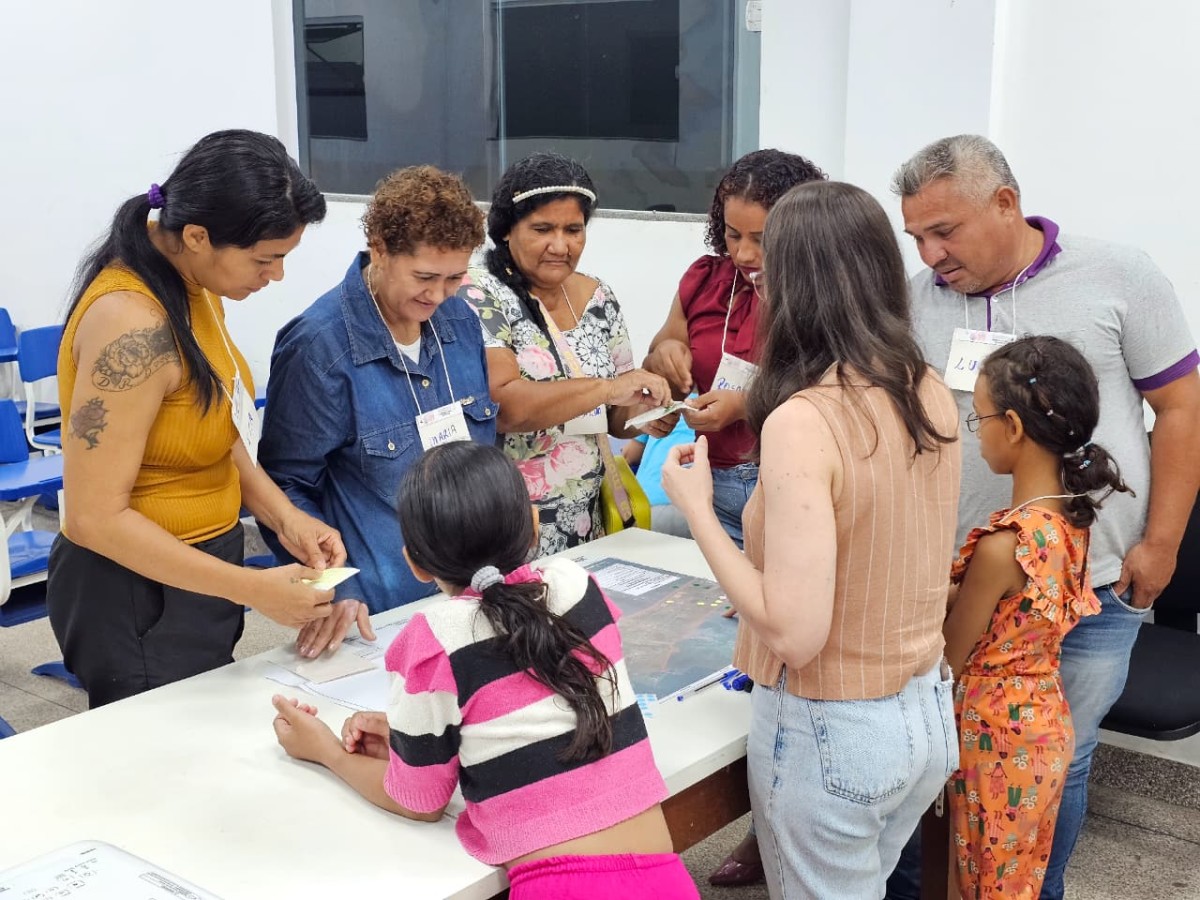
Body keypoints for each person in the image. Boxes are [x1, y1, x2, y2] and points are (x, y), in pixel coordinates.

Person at [888, 134, 1200, 900]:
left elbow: (1182, 409)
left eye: (944, 231)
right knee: (932, 758)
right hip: (959, 578)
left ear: (1005, 202)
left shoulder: (1118, 275)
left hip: (1092, 584)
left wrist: (1163, 543)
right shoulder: (916, 300)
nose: (929, 255)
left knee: (1061, 759)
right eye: (916, 236)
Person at [661, 181, 962, 900]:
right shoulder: (924, 385)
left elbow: (795, 635)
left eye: (768, 271)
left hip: (836, 732)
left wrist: (698, 510)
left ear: (797, 287)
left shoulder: (804, 419)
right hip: (924, 713)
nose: (754, 281)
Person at [269, 442, 699, 900]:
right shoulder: (577, 584)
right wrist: (410, 740)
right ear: (534, 526)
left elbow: (420, 802)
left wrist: (328, 752)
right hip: (667, 879)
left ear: (414, 563)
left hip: (558, 888)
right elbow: (528, 710)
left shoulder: (434, 638)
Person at [48, 129, 344, 708]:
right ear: (197, 236)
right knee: (158, 744)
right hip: (136, 587)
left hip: (200, 566)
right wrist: (253, 588)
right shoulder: (131, 323)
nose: (276, 276)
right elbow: (92, 518)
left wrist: (286, 518)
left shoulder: (194, 284)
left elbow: (217, 426)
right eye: (266, 259)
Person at [260, 166, 494, 655]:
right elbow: (285, 487)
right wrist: (333, 589)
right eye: (424, 277)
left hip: (472, 598)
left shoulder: (460, 322)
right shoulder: (319, 347)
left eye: (454, 278)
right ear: (380, 248)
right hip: (375, 614)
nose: (438, 295)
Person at [945, 336, 1130, 899]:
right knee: (1014, 884)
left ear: (1013, 427)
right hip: (1044, 730)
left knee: (975, 884)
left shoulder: (1004, 545)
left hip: (992, 741)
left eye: (979, 419)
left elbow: (949, 657)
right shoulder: (1072, 523)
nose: (977, 436)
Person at [458, 152, 670, 558]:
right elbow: (505, 406)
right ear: (506, 230)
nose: (561, 245)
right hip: (507, 531)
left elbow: (616, 417)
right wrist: (607, 389)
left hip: (584, 525)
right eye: (542, 229)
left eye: (574, 229)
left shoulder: (598, 298)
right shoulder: (479, 293)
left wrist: (648, 414)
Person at [643, 149, 826, 550]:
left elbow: (835, 393)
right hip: (713, 484)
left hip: (791, 483)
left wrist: (745, 406)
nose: (743, 253)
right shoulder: (705, 280)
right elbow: (657, 357)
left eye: (761, 239)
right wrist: (666, 358)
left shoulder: (819, 291)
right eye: (732, 234)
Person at [621, 415, 696, 539]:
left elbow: (629, 456)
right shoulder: (721, 410)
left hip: (648, 504)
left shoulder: (659, 411)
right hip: (699, 509)